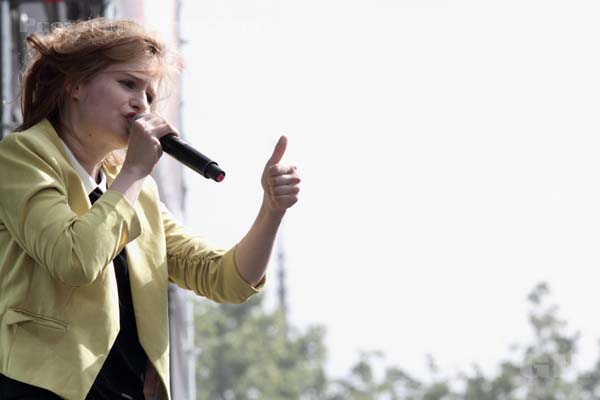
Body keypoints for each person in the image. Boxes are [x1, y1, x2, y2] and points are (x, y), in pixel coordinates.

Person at [0, 18, 300, 400]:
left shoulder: (136, 191)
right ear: (76, 83)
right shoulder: (23, 156)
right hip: (38, 390)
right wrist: (135, 170)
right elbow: (73, 259)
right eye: (128, 84)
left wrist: (271, 211)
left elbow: (225, 278)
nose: (141, 103)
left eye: (149, 95)